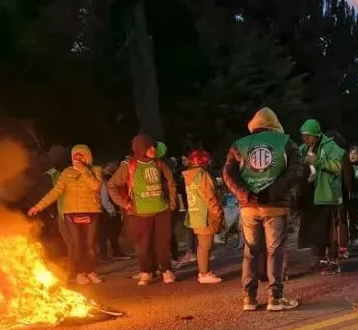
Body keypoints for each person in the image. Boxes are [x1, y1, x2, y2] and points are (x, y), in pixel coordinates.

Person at [224, 107, 305, 311]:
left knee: (250, 252)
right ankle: (275, 298)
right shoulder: (286, 143)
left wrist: (245, 194)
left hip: (248, 207)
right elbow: (297, 170)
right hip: (275, 207)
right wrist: (272, 193)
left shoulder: (239, 145)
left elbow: (228, 174)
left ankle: (249, 299)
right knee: (275, 252)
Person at [108, 132, 178, 286]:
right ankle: (146, 272)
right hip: (140, 213)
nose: (153, 149)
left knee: (163, 242)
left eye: (153, 146)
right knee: (142, 244)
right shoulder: (128, 166)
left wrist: (172, 202)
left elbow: (171, 181)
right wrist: (125, 204)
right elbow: (112, 185)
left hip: (162, 210)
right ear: (141, 149)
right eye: (149, 146)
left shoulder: (160, 163)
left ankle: (166, 270)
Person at [28, 144, 104, 285]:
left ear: (87, 156)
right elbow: (55, 192)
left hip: (91, 212)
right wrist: (38, 207)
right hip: (71, 214)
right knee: (76, 245)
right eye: (75, 155)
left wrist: (83, 170)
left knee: (90, 245)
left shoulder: (95, 170)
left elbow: (96, 186)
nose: (78, 158)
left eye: (81, 155)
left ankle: (91, 271)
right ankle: (80, 273)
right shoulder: (67, 173)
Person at [298, 119, 345, 275]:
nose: (304, 139)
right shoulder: (304, 148)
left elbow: (338, 167)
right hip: (312, 195)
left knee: (330, 230)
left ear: (316, 135)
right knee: (316, 230)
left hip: (328, 194)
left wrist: (317, 161)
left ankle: (333, 261)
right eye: (303, 136)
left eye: (307, 136)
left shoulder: (332, 147)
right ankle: (321, 259)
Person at [182, 149, 224, 284]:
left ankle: (204, 272)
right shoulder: (202, 175)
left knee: (202, 245)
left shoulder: (190, 175)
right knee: (205, 245)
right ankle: (204, 273)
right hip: (206, 214)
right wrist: (218, 212)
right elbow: (209, 196)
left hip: (196, 213)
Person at [97, 160, 127, 262]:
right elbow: (104, 197)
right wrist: (111, 209)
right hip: (106, 210)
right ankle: (106, 254)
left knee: (108, 233)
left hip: (104, 209)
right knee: (106, 233)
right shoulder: (103, 179)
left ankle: (111, 253)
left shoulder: (105, 178)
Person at [342, 146, 358, 247]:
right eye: (351, 153)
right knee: (353, 217)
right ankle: (353, 237)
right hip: (350, 196)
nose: (352, 156)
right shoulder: (346, 166)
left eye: (355, 154)